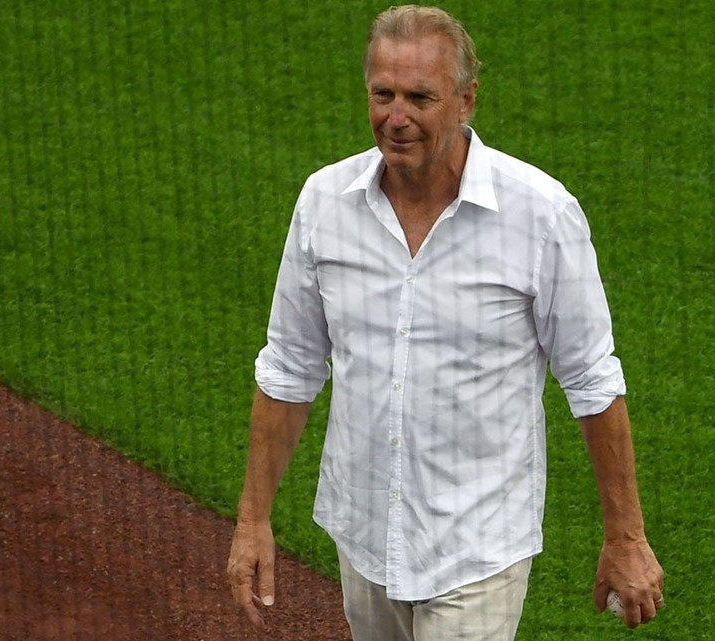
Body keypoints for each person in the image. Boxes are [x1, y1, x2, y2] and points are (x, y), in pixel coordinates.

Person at [226, 5, 664, 640]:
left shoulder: (540, 214)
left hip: (477, 548)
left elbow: (593, 381)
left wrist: (626, 538)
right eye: (383, 94)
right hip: (364, 534)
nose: (395, 117)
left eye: (419, 98)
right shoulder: (323, 202)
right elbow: (290, 368)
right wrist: (252, 519)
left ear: (466, 100)